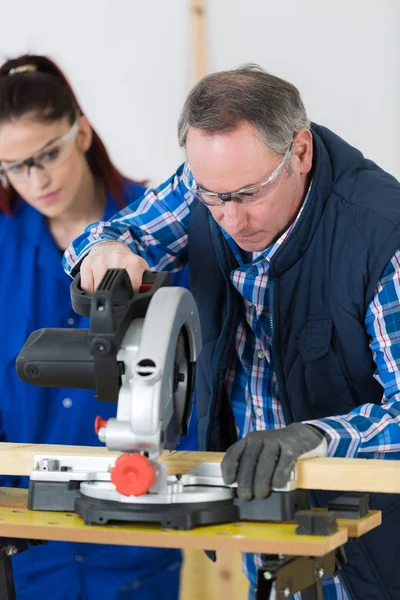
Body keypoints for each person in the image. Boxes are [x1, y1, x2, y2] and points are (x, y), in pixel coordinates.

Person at [64, 63, 400, 600]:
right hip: (257, 517)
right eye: (212, 199)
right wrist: (102, 252)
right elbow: (114, 234)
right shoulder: (212, 189)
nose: (231, 220)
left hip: (373, 539)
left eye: (247, 196)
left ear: (301, 152)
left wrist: (315, 438)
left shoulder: (384, 236)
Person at [0, 54, 192, 600]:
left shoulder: (163, 230)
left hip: (137, 531)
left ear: (81, 131)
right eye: (12, 166)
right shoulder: (2, 243)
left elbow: (197, 372)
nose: (35, 180)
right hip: (27, 536)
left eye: (47, 154)